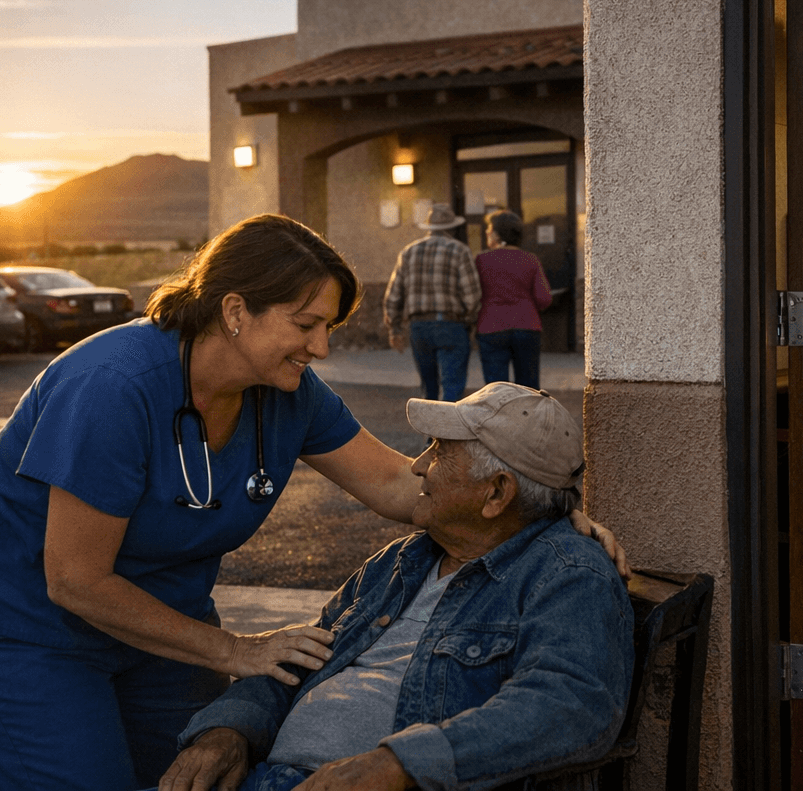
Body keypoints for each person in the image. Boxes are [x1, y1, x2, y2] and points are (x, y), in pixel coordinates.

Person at [0, 214, 622, 791]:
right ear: (235, 311)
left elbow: (402, 487)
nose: (321, 345)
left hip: (162, 621)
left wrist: (550, 516)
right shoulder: (111, 385)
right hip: (22, 625)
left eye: (329, 326)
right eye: (306, 324)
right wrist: (234, 649)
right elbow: (73, 578)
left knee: (191, 775)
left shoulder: (287, 394)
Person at [156, 382, 633, 791]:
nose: (418, 466)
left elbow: (570, 704)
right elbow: (299, 660)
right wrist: (229, 730)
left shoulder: (567, 574)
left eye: (440, 452)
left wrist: (398, 764)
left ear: (497, 493)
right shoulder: (404, 559)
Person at [384, 203, 483, 403]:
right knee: (452, 387)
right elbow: (473, 296)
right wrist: (470, 322)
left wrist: (394, 329)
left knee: (428, 388)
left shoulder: (408, 252)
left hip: (419, 327)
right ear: (452, 228)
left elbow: (393, 295)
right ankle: (448, 434)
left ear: (429, 227)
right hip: (451, 325)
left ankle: (431, 435)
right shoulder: (460, 250)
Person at [474, 209, 553, 389]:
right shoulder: (530, 260)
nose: (487, 232)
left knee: (495, 388)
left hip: (491, 326)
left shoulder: (481, 260)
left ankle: (499, 417)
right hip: (527, 326)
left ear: (496, 233)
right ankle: (526, 417)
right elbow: (544, 298)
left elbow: (473, 294)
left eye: (489, 228)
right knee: (528, 387)